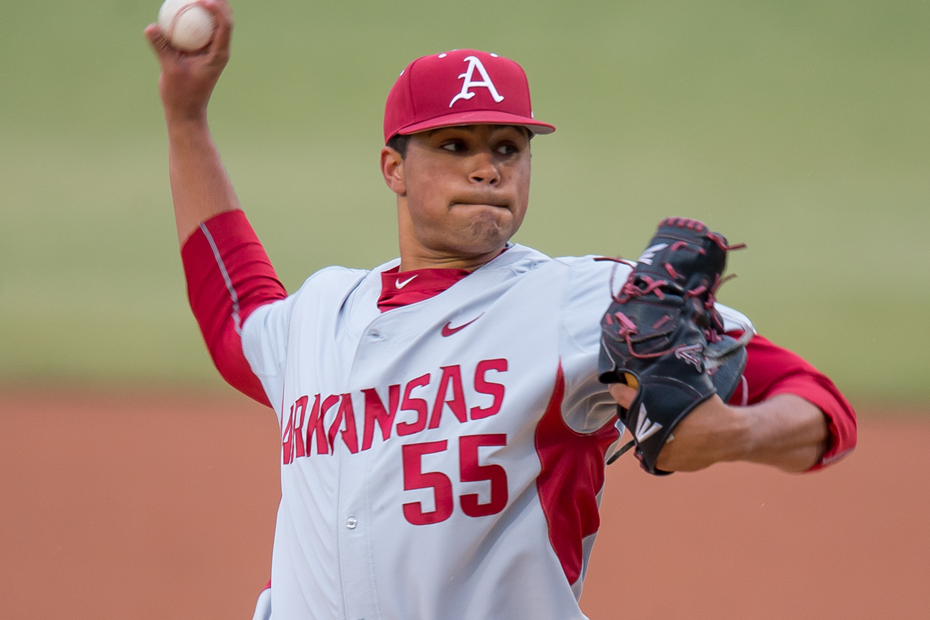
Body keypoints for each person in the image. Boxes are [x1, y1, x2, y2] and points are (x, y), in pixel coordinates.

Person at [145, 2, 857, 619]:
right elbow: (235, 310)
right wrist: (185, 118)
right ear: (394, 167)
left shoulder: (587, 303)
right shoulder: (323, 311)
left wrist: (731, 432)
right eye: (455, 146)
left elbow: (821, 405)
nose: (488, 169)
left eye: (507, 149)